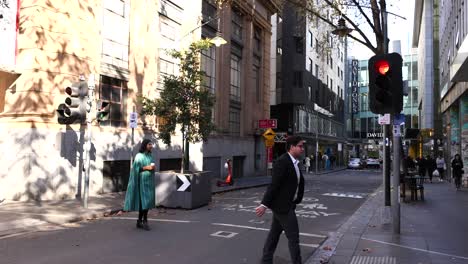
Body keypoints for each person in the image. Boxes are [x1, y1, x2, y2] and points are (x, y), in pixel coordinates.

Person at [256, 135, 305, 264]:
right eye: (300, 146)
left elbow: (297, 183)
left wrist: (296, 199)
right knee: (293, 237)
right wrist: (264, 204)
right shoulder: (283, 162)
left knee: (274, 235)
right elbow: (274, 185)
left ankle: (266, 260)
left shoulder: (295, 162)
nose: (302, 149)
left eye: (302, 146)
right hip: (283, 207)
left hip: (286, 205)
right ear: (291, 147)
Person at [124, 139, 156, 231]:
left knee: (147, 202)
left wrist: (153, 167)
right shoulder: (139, 156)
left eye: (151, 144)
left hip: (149, 182)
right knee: (144, 203)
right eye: (149, 144)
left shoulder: (150, 156)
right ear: (145, 145)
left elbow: (152, 166)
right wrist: (146, 167)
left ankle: (140, 221)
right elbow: (135, 169)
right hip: (141, 182)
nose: (151, 146)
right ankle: (144, 221)